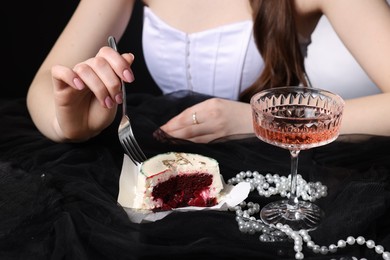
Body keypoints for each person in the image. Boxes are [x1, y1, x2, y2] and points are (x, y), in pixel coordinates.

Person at [26, 0, 390, 144]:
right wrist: (69, 125)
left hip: (275, 176)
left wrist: (260, 121)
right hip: (162, 164)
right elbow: (44, 85)